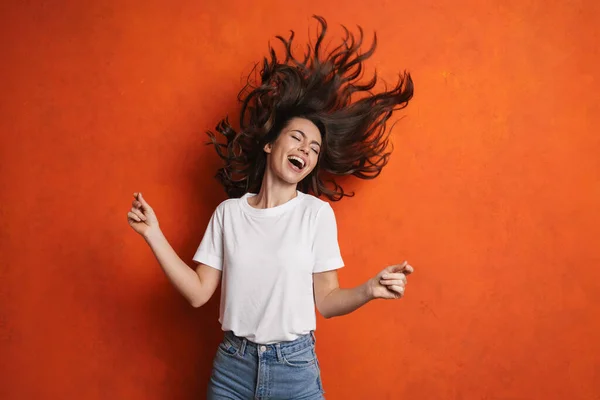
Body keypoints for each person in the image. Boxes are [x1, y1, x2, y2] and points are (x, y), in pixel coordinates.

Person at [127, 15, 414, 400]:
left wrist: (370, 289)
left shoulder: (315, 215)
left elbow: (326, 302)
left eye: (314, 149)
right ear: (269, 145)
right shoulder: (229, 214)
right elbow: (198, 293)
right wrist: (154, 235)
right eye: (296, 138)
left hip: (294, 370)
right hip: (232, 368)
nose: (305, 151)